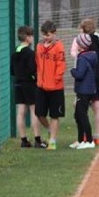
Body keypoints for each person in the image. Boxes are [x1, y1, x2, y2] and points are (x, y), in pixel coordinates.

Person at [11, 25, 46, 148]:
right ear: (27, 37)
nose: (32, 38)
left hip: (18, 84)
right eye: (31, 36)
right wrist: (35, 79)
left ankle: (24, 140)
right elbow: (33, 70)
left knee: (20, 112)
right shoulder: (30, 53)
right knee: (34, 111)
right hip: (29, 85)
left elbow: (12, 71)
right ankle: (37, 140)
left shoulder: (15, 52)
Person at [35, 20, 65, 150]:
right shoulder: (39, 46)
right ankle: (49, 128)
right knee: (39, 113)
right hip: (41, 86)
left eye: (48, 35)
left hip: (55, 88)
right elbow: (37, 63)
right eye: (44, 35)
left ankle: (52, 140)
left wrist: (56, 78)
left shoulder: (59, 47)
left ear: (54, 34)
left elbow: (61, 64)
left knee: (54, 115)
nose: (46, 37)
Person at [69, 33, 98, 149]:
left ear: (81, 45)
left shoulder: (82, 58)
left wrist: (73, 71)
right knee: (78, 115)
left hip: (83, 90)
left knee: (82, 115)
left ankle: (89, 140)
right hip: (88, 89)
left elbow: (79, 74)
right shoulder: (91, 56)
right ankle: (81, 139)